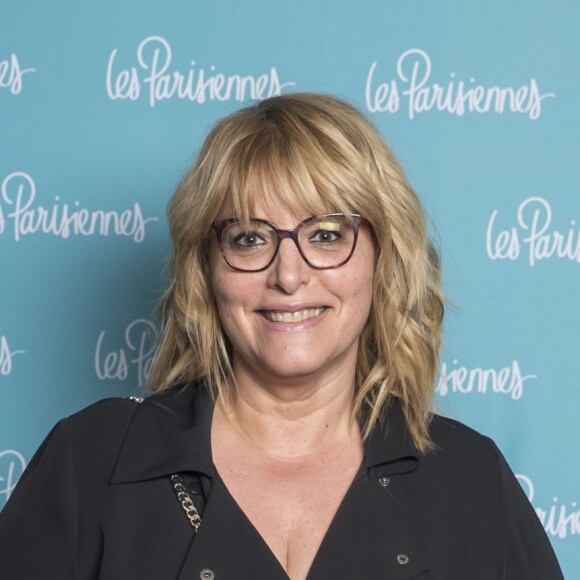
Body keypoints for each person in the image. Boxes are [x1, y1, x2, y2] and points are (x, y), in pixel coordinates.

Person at [0, 93, 563, 579]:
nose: (289, 276)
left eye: (324, 234)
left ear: (382, 260)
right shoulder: (91, 461)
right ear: (207, 268)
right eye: (249, 239)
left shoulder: (469, 480)